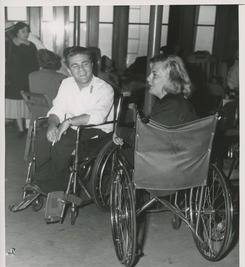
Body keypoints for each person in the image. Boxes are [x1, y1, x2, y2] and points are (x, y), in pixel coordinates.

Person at [26, 46, 114, 194]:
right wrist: (52, 125)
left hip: (97, 130)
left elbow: (99, 116)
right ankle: (40, 181)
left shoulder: (104, 88)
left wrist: (68, 122)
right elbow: (58, 108)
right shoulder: (67, 84)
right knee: (42, 138)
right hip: (72, 129)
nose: (81, 69)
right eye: (75, 65)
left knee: (62, 145)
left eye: (85, 63)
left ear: (92, 64)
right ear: (69, 69)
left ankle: (56, 187)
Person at [113, 54, 198, 147]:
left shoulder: (172, 105)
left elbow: (143, 139)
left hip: (166, 158)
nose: (148, 78)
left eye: (154, 74)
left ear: (171, 79)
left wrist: (119, 131)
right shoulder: (173, 101)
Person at [5, 21, 39, 136]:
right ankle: (20, 129)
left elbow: (36, 63)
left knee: (28, 103)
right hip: (14, 78)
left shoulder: (32, 46)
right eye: (23, 31)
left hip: (28, 78)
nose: (26, 34)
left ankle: (29, 128)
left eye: (27, 31)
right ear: (16, 33)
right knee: (17, 104)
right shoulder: (9, 45)